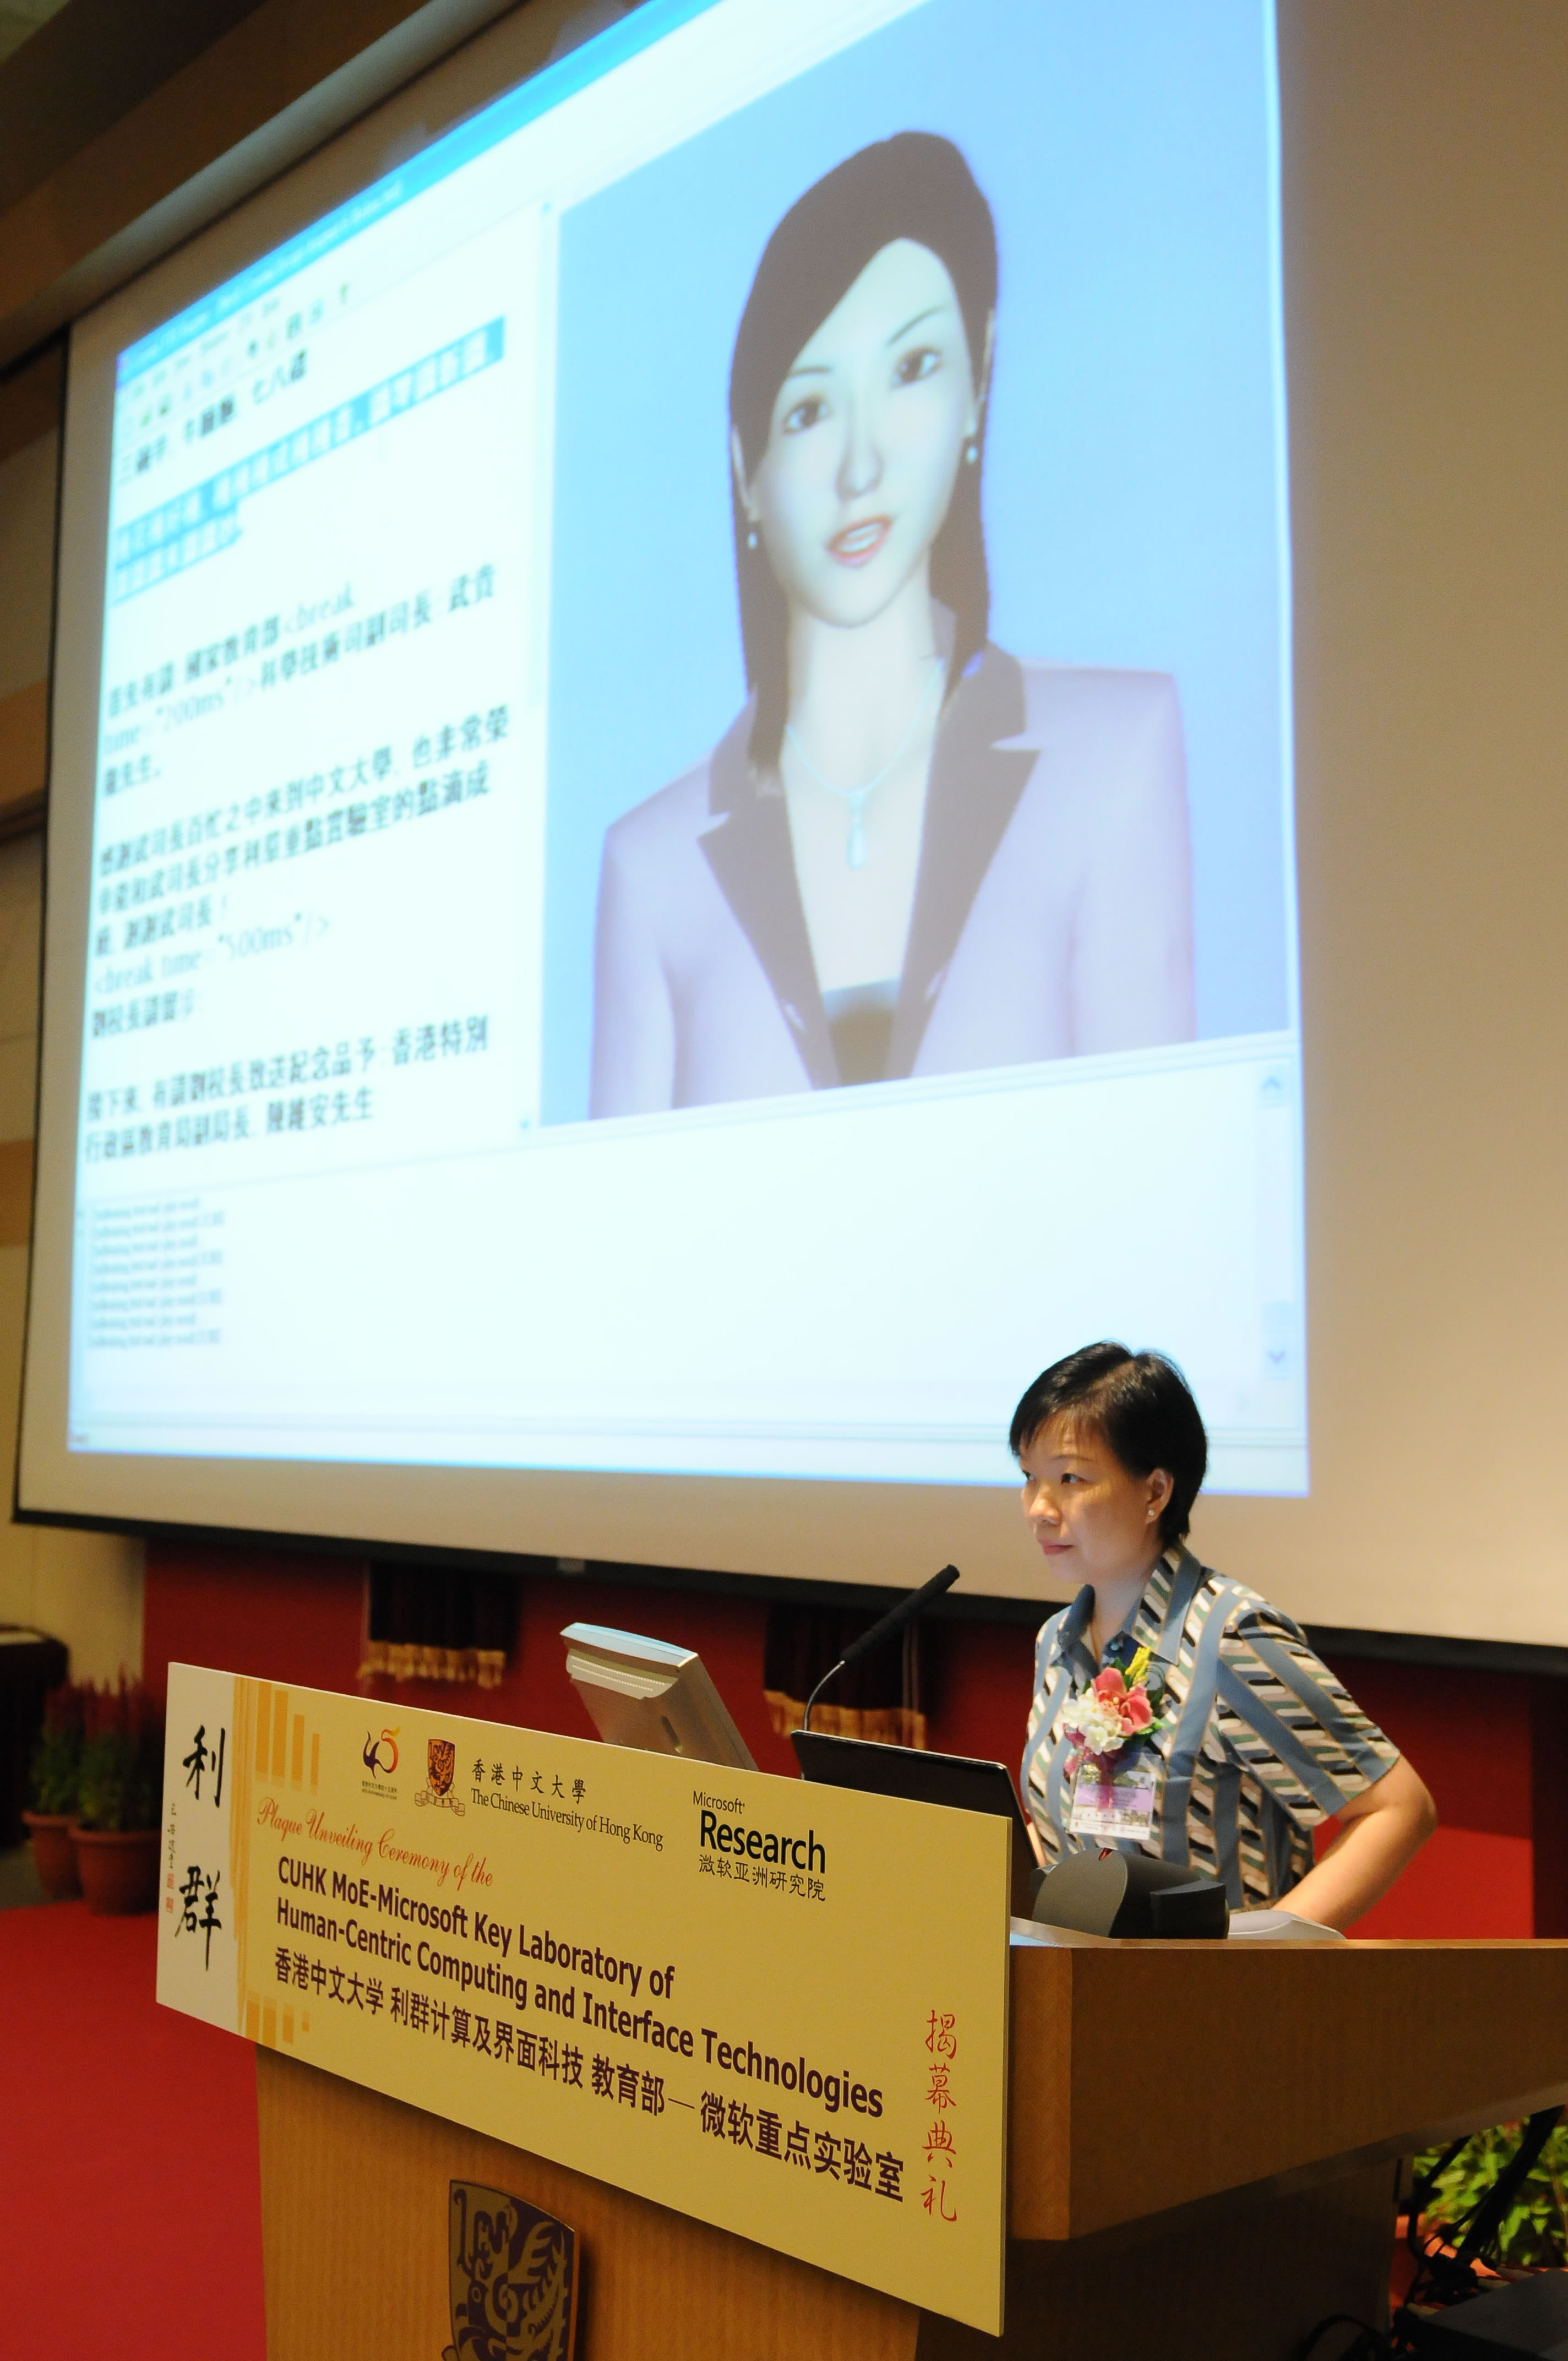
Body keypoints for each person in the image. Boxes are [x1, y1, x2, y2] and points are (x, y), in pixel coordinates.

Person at [590, 133, 1195, 1117]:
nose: (859, 467)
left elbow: (1166, 1198)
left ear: (978, 379)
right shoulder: (648, 868)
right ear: (745, 470)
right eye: (809, 410)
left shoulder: (1116, 754)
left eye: (912, 366)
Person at [1015, 1343, 1435, 1926]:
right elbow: (1071, 1834)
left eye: (1069, 1478)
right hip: (1085, 1996)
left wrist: (1263, 1954)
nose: (1039, 1506)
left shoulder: (1231, 1639)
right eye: (1028, 1476)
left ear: (1155, 1492)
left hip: (1215, 2003)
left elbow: (1399, 1808)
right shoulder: (1057, 1642)